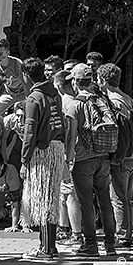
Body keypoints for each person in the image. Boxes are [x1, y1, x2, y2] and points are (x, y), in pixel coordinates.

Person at [64, 63, 116, 257]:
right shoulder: (102, 99)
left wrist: (68, 159)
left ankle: (91, 245)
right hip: (103, 157)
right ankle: (110, 244)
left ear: (76, 82)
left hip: (84, 159)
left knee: (86, 203)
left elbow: (71, 136)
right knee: (105, 200)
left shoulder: (75, 105)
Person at [19, 58, 68, 260]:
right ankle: (49, 247)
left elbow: (30, 132)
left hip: (42, 151)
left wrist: (24, 160)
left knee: (42, 201)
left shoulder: (34, 99)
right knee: (51, 199)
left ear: (26, 76)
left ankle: (46, 250)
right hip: (56, 148)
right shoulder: (54, 93)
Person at [97, 63, 133, 248]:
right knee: (126, 198)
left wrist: (114, 155)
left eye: (99, 79)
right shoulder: (128, 99)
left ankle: (122, 236)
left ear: (104, 81)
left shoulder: (112, 102)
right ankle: (126, 234)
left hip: (122, 156)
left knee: (118, 198)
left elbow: (115, 132)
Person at [53, 70, 83, 246]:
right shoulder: (79, 101)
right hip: (84, 152)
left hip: (69, 152)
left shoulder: (64, 103)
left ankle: (76, 233)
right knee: (66, 193)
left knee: (69, 193)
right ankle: (65, 229)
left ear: (58, 86)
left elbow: (69, 134)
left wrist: (68, 155)